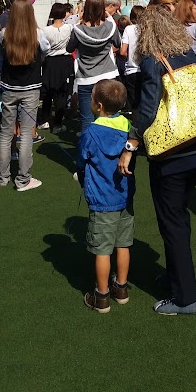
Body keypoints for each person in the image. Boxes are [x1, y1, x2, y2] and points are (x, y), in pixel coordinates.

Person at [118, 6, 196, 315]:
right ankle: (175, 276)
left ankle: (186, 297)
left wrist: (131, 143)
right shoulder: (187, 52)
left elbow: (147, 108)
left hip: (171, 151)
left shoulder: (151, 61)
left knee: (171, 221)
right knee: (178, 217)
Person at [77, 80, 135, 313]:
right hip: (123, 195)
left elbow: (82, 159)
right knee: (123, 244)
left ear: (99, 106)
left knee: (103, 249)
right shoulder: (128, 127)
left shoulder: (91, 131)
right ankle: (121, 287)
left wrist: (80, 174)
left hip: (102, 198)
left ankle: (102, 296)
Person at [0, 0, 50, 191]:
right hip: (30, 89)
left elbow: (3, 54)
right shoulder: (38, 34)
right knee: (26, 135)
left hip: (10, 88)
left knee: (6, 133)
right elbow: (45, 52)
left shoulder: (4, 33)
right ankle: (23, 180)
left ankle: (2, 177)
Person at [66, 0, 121, 133]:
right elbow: (118, 43)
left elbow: (69, 48)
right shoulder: (110, 27)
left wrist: (78, 23)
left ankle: (87, 152)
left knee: (87, 119)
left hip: (86, 77)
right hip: (108, 75)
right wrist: (108, 18)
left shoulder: (78, 30)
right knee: (110, 115)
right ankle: (111, 149)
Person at [39, 2, 74, 134]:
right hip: (64, 61)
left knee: (48, 91)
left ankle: (45, 120)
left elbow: (43, 47)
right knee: (62, 92)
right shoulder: (69, 28)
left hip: (50, 61)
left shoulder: (45, 30)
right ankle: (58, 123)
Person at [119, 6, 145, 118]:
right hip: (145, 68)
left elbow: (123, 51)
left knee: (134, 103)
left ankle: (135, 128)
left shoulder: (128, 29)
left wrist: (129, 57)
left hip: (131, 69)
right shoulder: (146, 28)